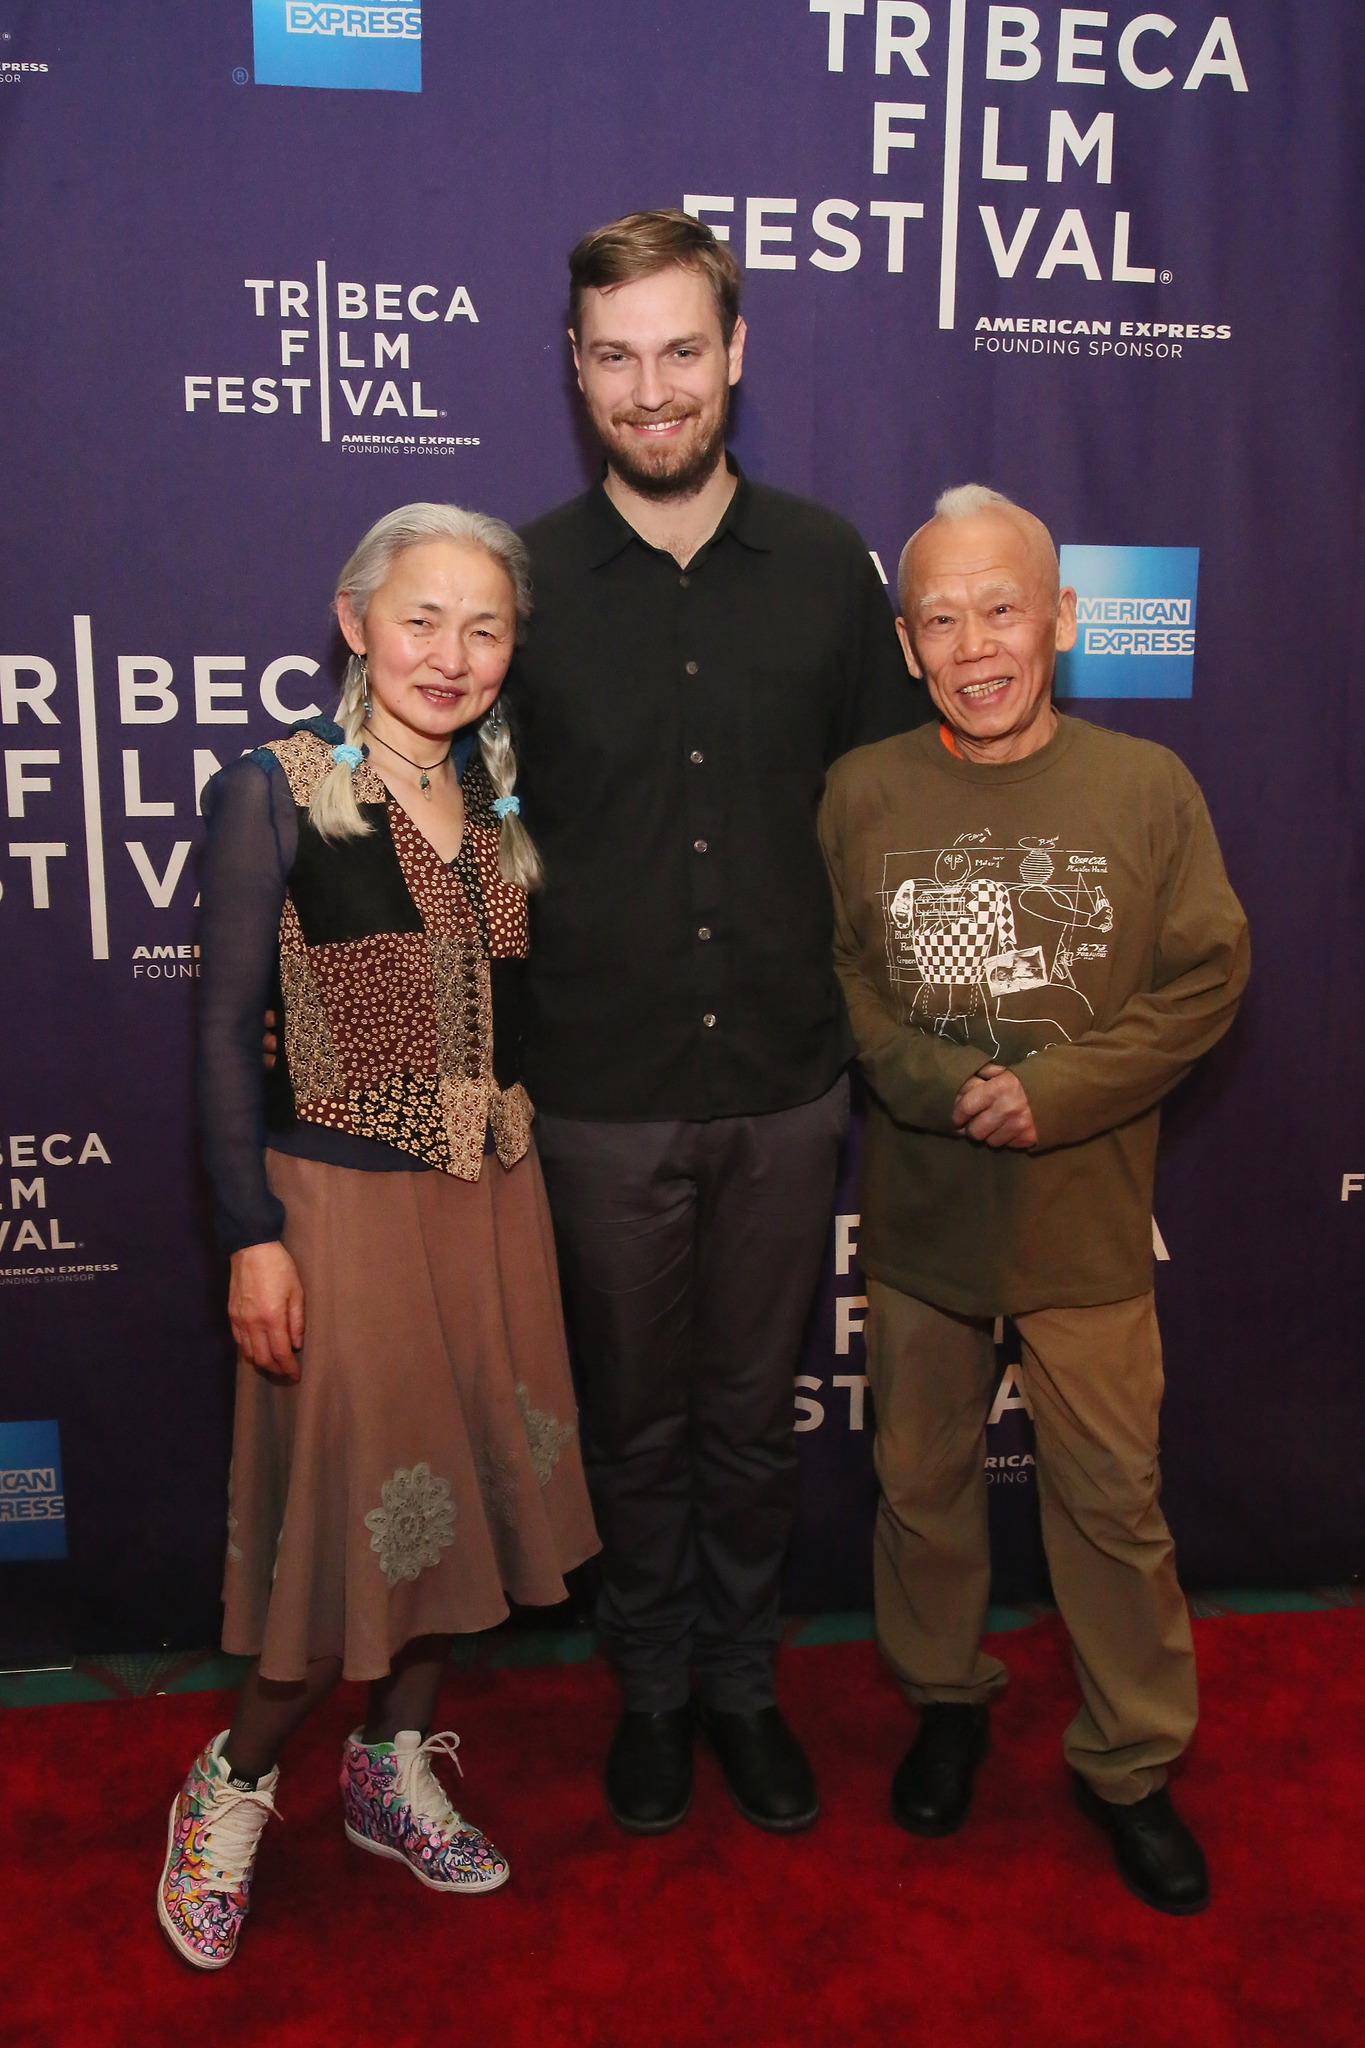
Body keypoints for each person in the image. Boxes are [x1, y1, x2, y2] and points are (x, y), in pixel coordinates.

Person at [507, 209, 929, 1835]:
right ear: (574, 368)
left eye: (682, 350)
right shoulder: (522, 584)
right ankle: (650, 1688)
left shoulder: (827, 565)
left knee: (753, 1417)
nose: (652, 388)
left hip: (778, 1083)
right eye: (616, 356)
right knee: (631, 1420)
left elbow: (895, 826)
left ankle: (742, 1685)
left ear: (735, 353)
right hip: (595, 1090)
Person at [159, 503, 598, 1970]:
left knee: (461, 1507)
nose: (451, 654)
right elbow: (224, 1032)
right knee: (342, 1538)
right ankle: (230, 1785)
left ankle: (385, 1767)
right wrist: (250, 1234)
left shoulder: (498, 809)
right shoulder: (272, 790)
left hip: (493, 1205)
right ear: (354, 623)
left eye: (485, 628)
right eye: (422, 618)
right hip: (334, 1208)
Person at [818, 484, 1249, 1915]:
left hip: (1082, 1231)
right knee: (920, 1489)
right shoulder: (860, 791)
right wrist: (935, 1079)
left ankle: (1129, 1762)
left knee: (1113, 1510)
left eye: (1001, 609)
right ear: (905, 643)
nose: (974, 645)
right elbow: (843, 983)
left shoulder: (1145, 789)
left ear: (1061, 618)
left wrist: (1050, 1093)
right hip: (926, 1228)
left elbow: (1206, 978)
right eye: (939, 619)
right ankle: (945, 1699)